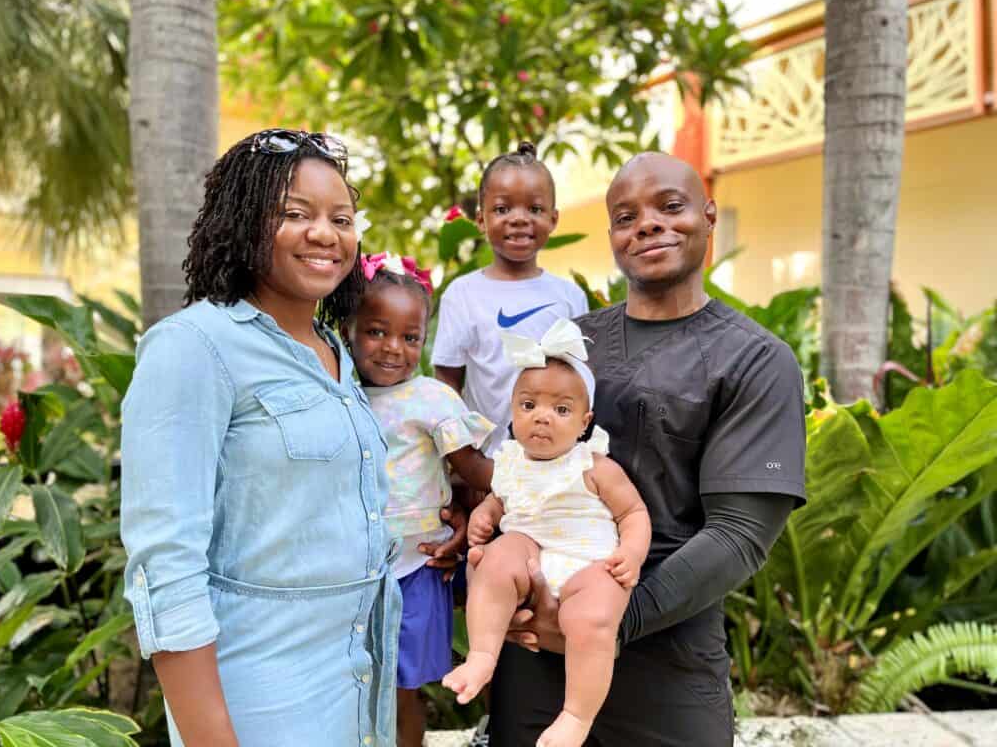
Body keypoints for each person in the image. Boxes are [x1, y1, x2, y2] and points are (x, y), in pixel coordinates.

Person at [485, 152, 807, 746]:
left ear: (708, 216)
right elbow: (518, 474)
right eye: (626, 216)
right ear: (612, 236)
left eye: (671, 207)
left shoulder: (755, 361)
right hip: (538, 658)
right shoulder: (572, 348)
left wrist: (606, 621)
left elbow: (740, 535)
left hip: (668, 661)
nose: (649, 225)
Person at [120, 129, 399, 746]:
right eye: (294, 213)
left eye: (341, 218)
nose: (325, 233)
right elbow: (165, 567)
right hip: (258, 694)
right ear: (244, 221)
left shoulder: (333, 351)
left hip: (356, 682)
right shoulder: (193, 347)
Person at [443, 318, 650, 747]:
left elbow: (633, 513)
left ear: (584, 421)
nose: (542, 418)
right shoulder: (511, 464)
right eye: (528, 405)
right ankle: (482, 656)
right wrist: (485, 512)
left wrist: (631, 553)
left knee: (591, 622)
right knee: (494, 562)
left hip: (589, 563)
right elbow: (503, 501)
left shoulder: (593, 466)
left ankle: (576, 715)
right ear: (512, 411)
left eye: (561, 410)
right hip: (531, 551)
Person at [341, 251, 495, 747]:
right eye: (376, 332)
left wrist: (535, 484)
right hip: (349, 573)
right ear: (349, 329)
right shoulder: (337, 394)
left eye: (410, 338)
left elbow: (472, 469)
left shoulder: (432, 398)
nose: (393, 349)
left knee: (403, 689)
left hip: (416, 568)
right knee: (351, 689)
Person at [432, 141, 588, 457]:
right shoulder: (462, 295)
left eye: (534, 209)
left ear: (554, 219)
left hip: (555, 466)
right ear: (480, 219)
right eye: (503, 209)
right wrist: (468, 465)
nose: (519, 219)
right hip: (487, 463)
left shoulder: (570, 296)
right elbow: (446, 387)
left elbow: (581, 381)